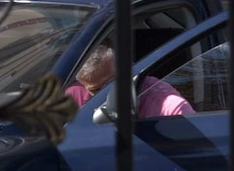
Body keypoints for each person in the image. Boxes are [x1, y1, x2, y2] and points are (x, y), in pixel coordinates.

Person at [66, 45, 194, 117]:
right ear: (84, 86)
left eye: (110, 84)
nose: (105, 95)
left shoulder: (167, 105)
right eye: (96, 90)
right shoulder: (73, 95)